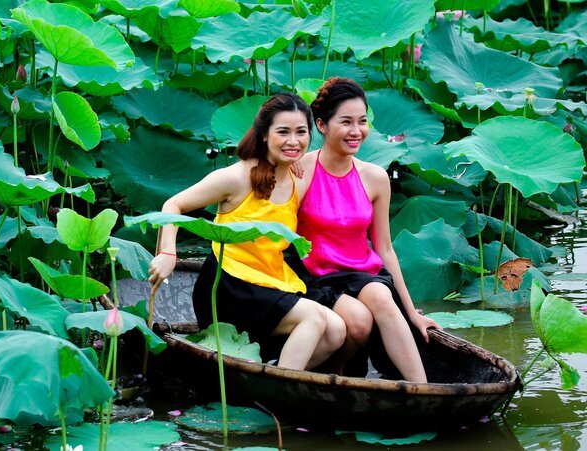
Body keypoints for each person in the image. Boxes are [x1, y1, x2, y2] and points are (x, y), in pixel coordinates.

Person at [148, 93, 346, 371]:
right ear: (264, 134)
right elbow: (174, 204)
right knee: (313, 318)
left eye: (301, 132)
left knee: (336, 329)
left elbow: (334, 157)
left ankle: (272, 376)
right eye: (283, 132)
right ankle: (278, 395)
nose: (293, 141)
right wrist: (168, 251)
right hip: (228, 285)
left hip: (270, 280)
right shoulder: (237, 177)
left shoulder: (297, 177)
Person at [294, 77, 440, 382]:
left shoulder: (375, 177)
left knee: (382, 297)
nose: (356, 131)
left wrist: (412, 313)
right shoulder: (299, 170)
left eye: (362, 121)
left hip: (361, 273)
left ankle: (422, 389)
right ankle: (332, 375)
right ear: (321, 125)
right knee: (358, 324)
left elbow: (384, 248)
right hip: (313, 275)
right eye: (346, 122)